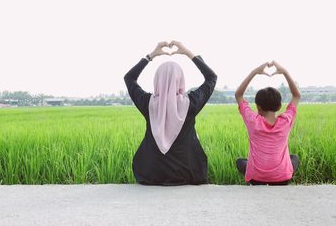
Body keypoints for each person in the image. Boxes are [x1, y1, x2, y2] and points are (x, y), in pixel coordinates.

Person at [124, 41, 217, 185]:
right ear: (180, 80)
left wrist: (151, 55)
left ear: (157, 80)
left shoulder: (148, 103)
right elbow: (211, 78)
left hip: (150, 173)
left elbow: (129, 78)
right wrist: (187, 52)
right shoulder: (190, 103)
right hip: (187, 174)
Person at [235, 61, 301, 185]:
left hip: (256, 179)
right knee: (294, 158)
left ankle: (260, 176)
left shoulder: (252, 121)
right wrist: (285, 72)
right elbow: (296, 95)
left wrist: (254, 72)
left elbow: (238, 94)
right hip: (282, 178)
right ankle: (279, 173)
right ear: (280, 105)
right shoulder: (286, 121)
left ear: (258, 107)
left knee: (240, 162)